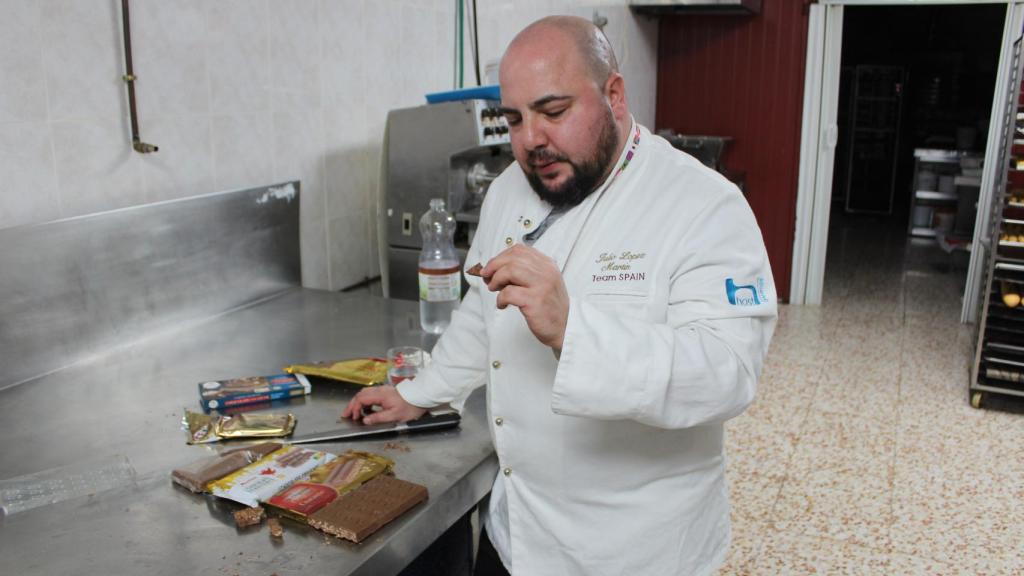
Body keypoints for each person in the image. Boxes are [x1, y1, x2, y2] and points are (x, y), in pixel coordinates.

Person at [344, 15, 777, 576]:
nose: (531, 142)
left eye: (553, 112)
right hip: (518, 534)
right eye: (515, 120)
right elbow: (482, 310)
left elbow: (726, 373)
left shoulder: (703, 205)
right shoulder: (509, 190)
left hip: (636, 552)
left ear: (614, 96)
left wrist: (574, 329)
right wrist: (422, 391)